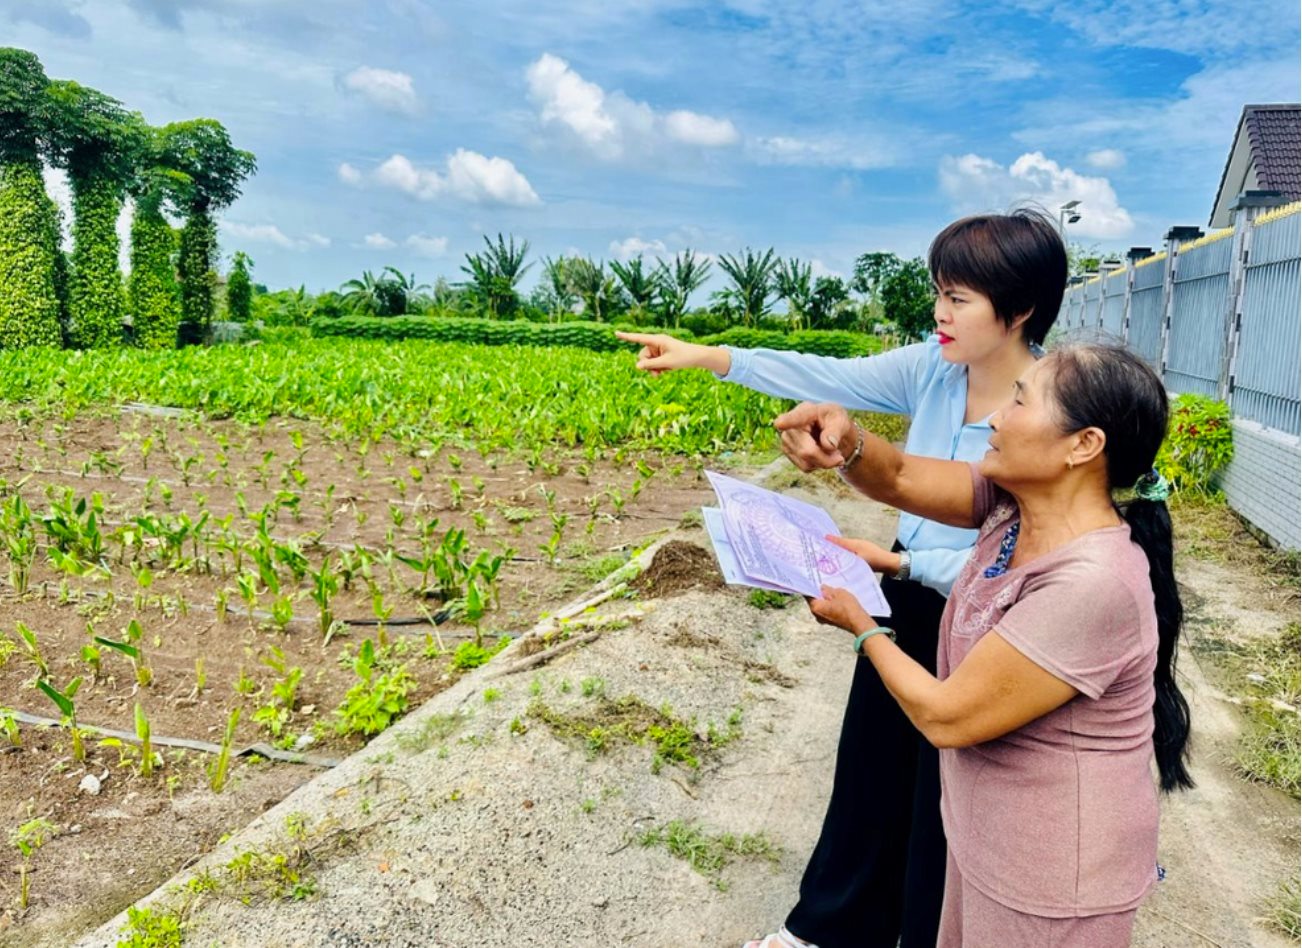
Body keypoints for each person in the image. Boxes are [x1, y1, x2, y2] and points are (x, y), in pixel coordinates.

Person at [616, 209, 1067, 948]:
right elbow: (826, 375)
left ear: (1018, 310)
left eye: (958, 298)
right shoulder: (932, 368)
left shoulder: (1046, 407)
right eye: (938, 293)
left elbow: (1038, 549)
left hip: (990, 618)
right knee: (869, 769)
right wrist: (705, 355)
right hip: (910, 596)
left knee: (947, 795)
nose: (939, 313)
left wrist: (910, 561)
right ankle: (829, 927)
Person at [777, 343, 1193, 946]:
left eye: (1021, 400)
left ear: (1084, 445)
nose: (996, 417)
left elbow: (947, 716)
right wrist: (847, 441)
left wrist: (860, 622)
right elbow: (898, 474)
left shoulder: (1093, 582)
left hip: (1051, 881)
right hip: (988, 841)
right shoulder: (1015, 507)